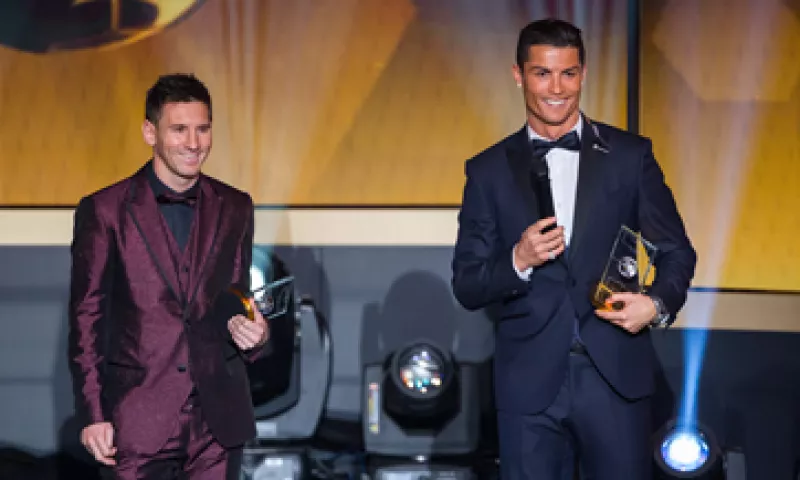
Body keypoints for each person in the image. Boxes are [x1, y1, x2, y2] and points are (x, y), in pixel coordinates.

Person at [451, 19, 697, 479]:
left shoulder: (629, 156)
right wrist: (518, 260)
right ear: (519, 75)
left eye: (568, 73)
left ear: (583, 74)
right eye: (542, 73)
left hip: (615, 378)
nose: (556, 88)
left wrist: (657, 304)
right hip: (528, 386)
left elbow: (677, 251)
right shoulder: (488, 171)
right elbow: (467, 284)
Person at [68, 73, 269, 479]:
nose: (194, 143)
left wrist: (255, 333)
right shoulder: (105, 210)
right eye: (179, 130)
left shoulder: (236, 206)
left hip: (216, 422)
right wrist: (93, 413)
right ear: (150, 132)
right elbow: (87, 317)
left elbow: (235, 299)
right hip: (136, 420)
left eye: (203, 129)